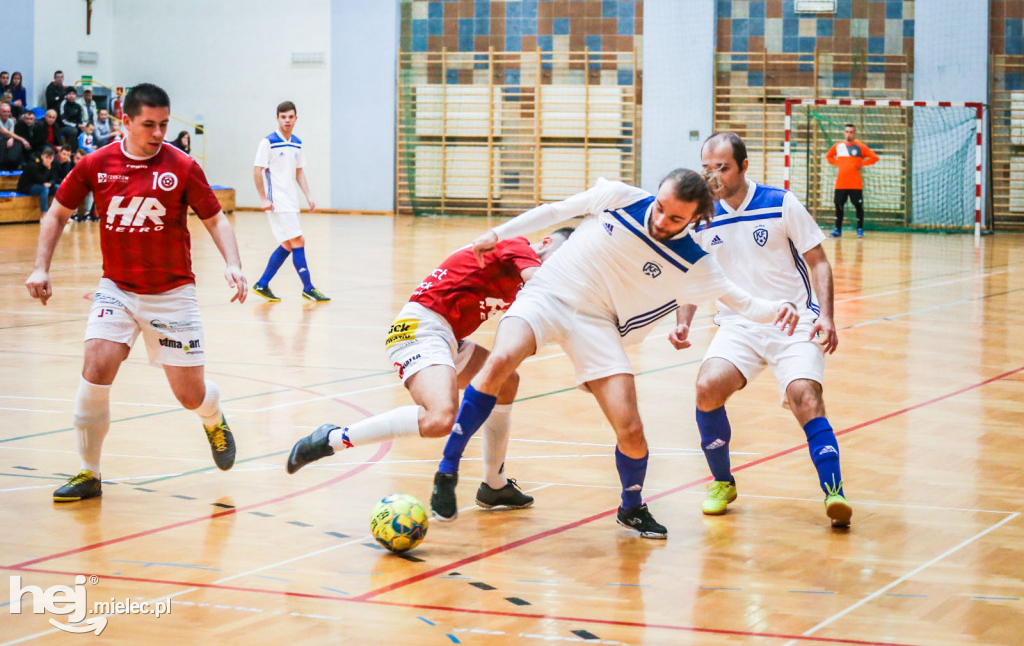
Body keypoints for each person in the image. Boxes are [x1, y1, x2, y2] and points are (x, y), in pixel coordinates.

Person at [427, 172, 799, 538]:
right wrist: (499, 233)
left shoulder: (695, 262)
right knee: (501, 361)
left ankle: (632, 507)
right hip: (549, 293)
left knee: (632, 428)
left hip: (598, 325)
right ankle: (448, 469)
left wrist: (781, 309)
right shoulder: (621, 198)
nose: (660, 221)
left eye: (675, 218)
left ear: (695, 219)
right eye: (659, 208)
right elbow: (557, 210)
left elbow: (746, 303)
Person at [24, 83, 248, 502]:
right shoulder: (96, 163)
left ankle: (212, 417)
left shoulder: (182, 166)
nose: (158, 132)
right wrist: (41, 267)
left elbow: (216, 219)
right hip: (118, 289)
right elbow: (55, 215)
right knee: (96, 364)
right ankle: (88, 473)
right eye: (149, 124)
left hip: (172, 293)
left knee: (188, 394)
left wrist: (233, 264)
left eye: (164, 124)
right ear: (124, 121)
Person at [287, 229, 574, 512]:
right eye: (561, 261)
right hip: (420, 329)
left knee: (506, 382)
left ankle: (494, 486)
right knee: (439, 419)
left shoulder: (522, 273)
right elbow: (541, 289)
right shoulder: (517, 246)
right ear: (546, 242)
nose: (559, 270)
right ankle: (330, 439)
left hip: (446, 336)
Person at [676, 132, 851, 528]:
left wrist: (826, 315)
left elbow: (819, 262)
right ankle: (722, 482)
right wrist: (683, 320)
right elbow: (694, 276)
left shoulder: (780, 203)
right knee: (707, 387)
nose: (714, 175)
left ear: (743, 167)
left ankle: (834, 491)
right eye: (708, 168)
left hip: (794, 321)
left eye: (722, 167)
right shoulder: (702, 216)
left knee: (805, 397)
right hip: (739, 324)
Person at [251, 100, 329, 302]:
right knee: (298, 240)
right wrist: (262, 198)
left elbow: (299, 172)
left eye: (290, 117)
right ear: (277, 118)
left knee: (288, 244)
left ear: (296, 119)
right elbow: (257, 170)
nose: (287, 120)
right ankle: (308, 288)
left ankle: (262, 283)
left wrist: (308, 195)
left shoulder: (297, 142)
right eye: (283, 117)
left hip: (291, 201)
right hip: (277, 202)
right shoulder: (268, 142)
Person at [826, 124, 878, 238]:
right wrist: (837, 163)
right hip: (841, 184)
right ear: (844, 133)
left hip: (855, 184)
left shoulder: (860, 147)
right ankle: (837, 230)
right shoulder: (838, 146)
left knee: (858, 206)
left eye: (851, 132)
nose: (848, 134)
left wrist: (862, 164)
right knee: (838, 206)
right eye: (847, 131)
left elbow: (874, 157)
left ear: (854, 134)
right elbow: (829, 156)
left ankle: (860, 229)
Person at [17, 146, 56, 213]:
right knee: (44, 189)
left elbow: (54, 178)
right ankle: (44, 213)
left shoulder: (53, 164)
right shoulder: (34, 164)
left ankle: (56, 212)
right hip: (26, 186)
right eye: (46, 157)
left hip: (38, 185)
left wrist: (51, 183)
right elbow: (41, 180)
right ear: (42, 156)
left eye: (50, 158)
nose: (48, 160)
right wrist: (48, 168)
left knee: (58, 187)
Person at [1, 102, 29, 170]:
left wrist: (11, 139)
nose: (6, 113)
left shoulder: (11, 121)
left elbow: (11, 133)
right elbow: (7, 132)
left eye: (8, 112)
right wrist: (23, 140)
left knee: (18, 145)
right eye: (4, 112)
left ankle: (16, 165)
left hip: (6, 140)